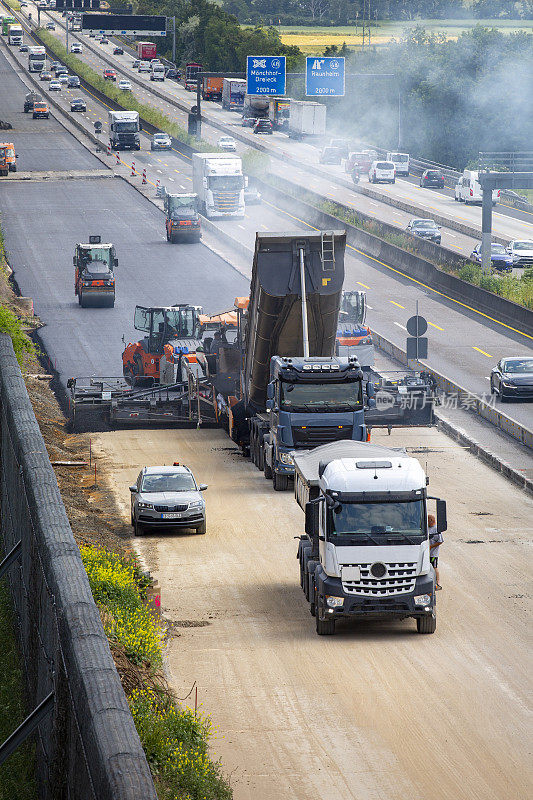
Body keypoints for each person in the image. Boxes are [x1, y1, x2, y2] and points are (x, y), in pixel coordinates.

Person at [428, 513, 443, 590]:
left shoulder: (436, 529)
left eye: (427, 520)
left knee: (434, 567)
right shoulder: (426, 528)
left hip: (433, 554)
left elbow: (440, 541)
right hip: (426, 553)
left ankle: (438, 583)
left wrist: (430, 547)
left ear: (431, 520)